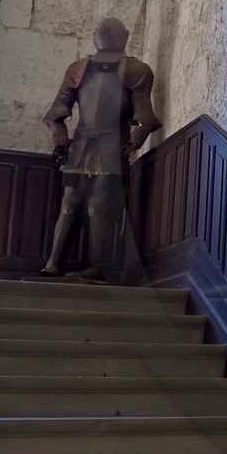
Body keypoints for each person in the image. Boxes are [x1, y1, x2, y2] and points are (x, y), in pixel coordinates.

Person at [40, 16, 161, 278]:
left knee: (100, 204)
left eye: (110, 31)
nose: (106, 33)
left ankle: (95, 267)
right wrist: (60, 142)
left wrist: (136, 139)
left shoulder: (136, 70)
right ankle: (53, 262)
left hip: (114, 142)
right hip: (82, 141)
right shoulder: (78, 68)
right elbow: (56, 113)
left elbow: (146, 116)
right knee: (70, 202)